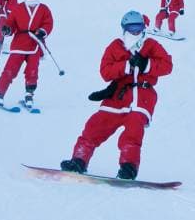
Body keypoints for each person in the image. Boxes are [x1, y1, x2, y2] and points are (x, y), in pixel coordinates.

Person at [60, 11, 173, 180]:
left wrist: (147, 64)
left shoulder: (151, 45)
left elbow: (167, 65)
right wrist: (126, 66)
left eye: (138, 28)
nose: (135, 32)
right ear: (124, 28)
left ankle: (128, 167)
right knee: (95, 125)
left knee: (133, 130)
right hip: (118, 95)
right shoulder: (115, 46)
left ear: (143, 28)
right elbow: (105, 72)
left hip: (142, 95)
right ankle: (79, 160)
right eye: (131, 28)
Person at [0, 0, 54, 110]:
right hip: (19, 43)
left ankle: (29, 95)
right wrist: (7, 29)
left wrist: (43, 31)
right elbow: (10, 23)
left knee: (32, 72)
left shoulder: (43, 8)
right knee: (10, 69)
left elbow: (49, 23)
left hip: (34, 44)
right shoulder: (18, 8)